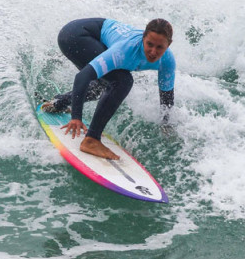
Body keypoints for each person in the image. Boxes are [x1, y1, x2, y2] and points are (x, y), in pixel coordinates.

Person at [41, 17, 176, 160]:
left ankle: (58, 103)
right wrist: (76, 117)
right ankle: (91, 140)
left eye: (159, 47)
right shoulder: (124, 51)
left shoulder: (167, 62)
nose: (153, 52)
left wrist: (165, 124)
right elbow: (82, 77)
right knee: (122, 81)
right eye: (149, 44)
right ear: (143, 38)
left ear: (168, 45)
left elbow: (166, 97)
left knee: (107, 83)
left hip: (94, 35)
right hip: (75, 36)